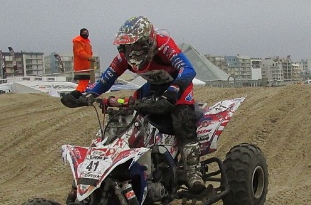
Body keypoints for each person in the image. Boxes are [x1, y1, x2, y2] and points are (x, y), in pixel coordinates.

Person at [62, 16, 205, 193]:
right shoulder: (124, 58)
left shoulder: (164, 44)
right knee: (129, 117)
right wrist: (85, 95)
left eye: (136, 46)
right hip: (153, 87)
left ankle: (193, 172)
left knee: (183, 121)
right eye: (128, 47)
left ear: (148, 41)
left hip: (178, 86)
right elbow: (106, 79)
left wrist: (174, 89)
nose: (132, 52)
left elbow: (188, 69)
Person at [72, 27, 93, 92]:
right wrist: (89, 58)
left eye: (87, 33)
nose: (85, 34)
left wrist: (90, 58)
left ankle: (80, 93)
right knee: (83, 82)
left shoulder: (87, 42)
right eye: (84, 33)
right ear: (80, 33)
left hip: (87, 66)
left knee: (85, 82)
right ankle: (77, 94)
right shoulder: (78, 41)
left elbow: (89, 52)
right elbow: (80, 53)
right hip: (81, 66)